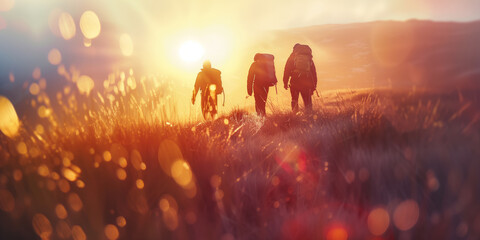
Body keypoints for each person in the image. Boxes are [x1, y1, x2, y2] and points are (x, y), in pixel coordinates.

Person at [283, 43, 317, 112]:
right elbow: (313, 73)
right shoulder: (309, 58)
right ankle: (310, 117)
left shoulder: (292, 57)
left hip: (295, 82)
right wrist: (313, 86)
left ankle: (295, 116)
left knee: (294, 100)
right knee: (308, 102)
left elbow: (287, 70)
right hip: (306, 83)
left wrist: (285, 82)